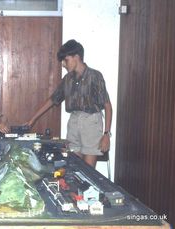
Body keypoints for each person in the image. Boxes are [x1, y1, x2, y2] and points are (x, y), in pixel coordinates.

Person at [26, 39, 112, 168]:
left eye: (65, 60)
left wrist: (106, 135)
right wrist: (32, 120)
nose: (63, 64)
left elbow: (107, 106)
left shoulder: (95, 76)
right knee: (73, 166)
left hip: (91, 122)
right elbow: (52, 100)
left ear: (76, 57)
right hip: (74, 121)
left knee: (88, 170)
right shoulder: (67, 79)